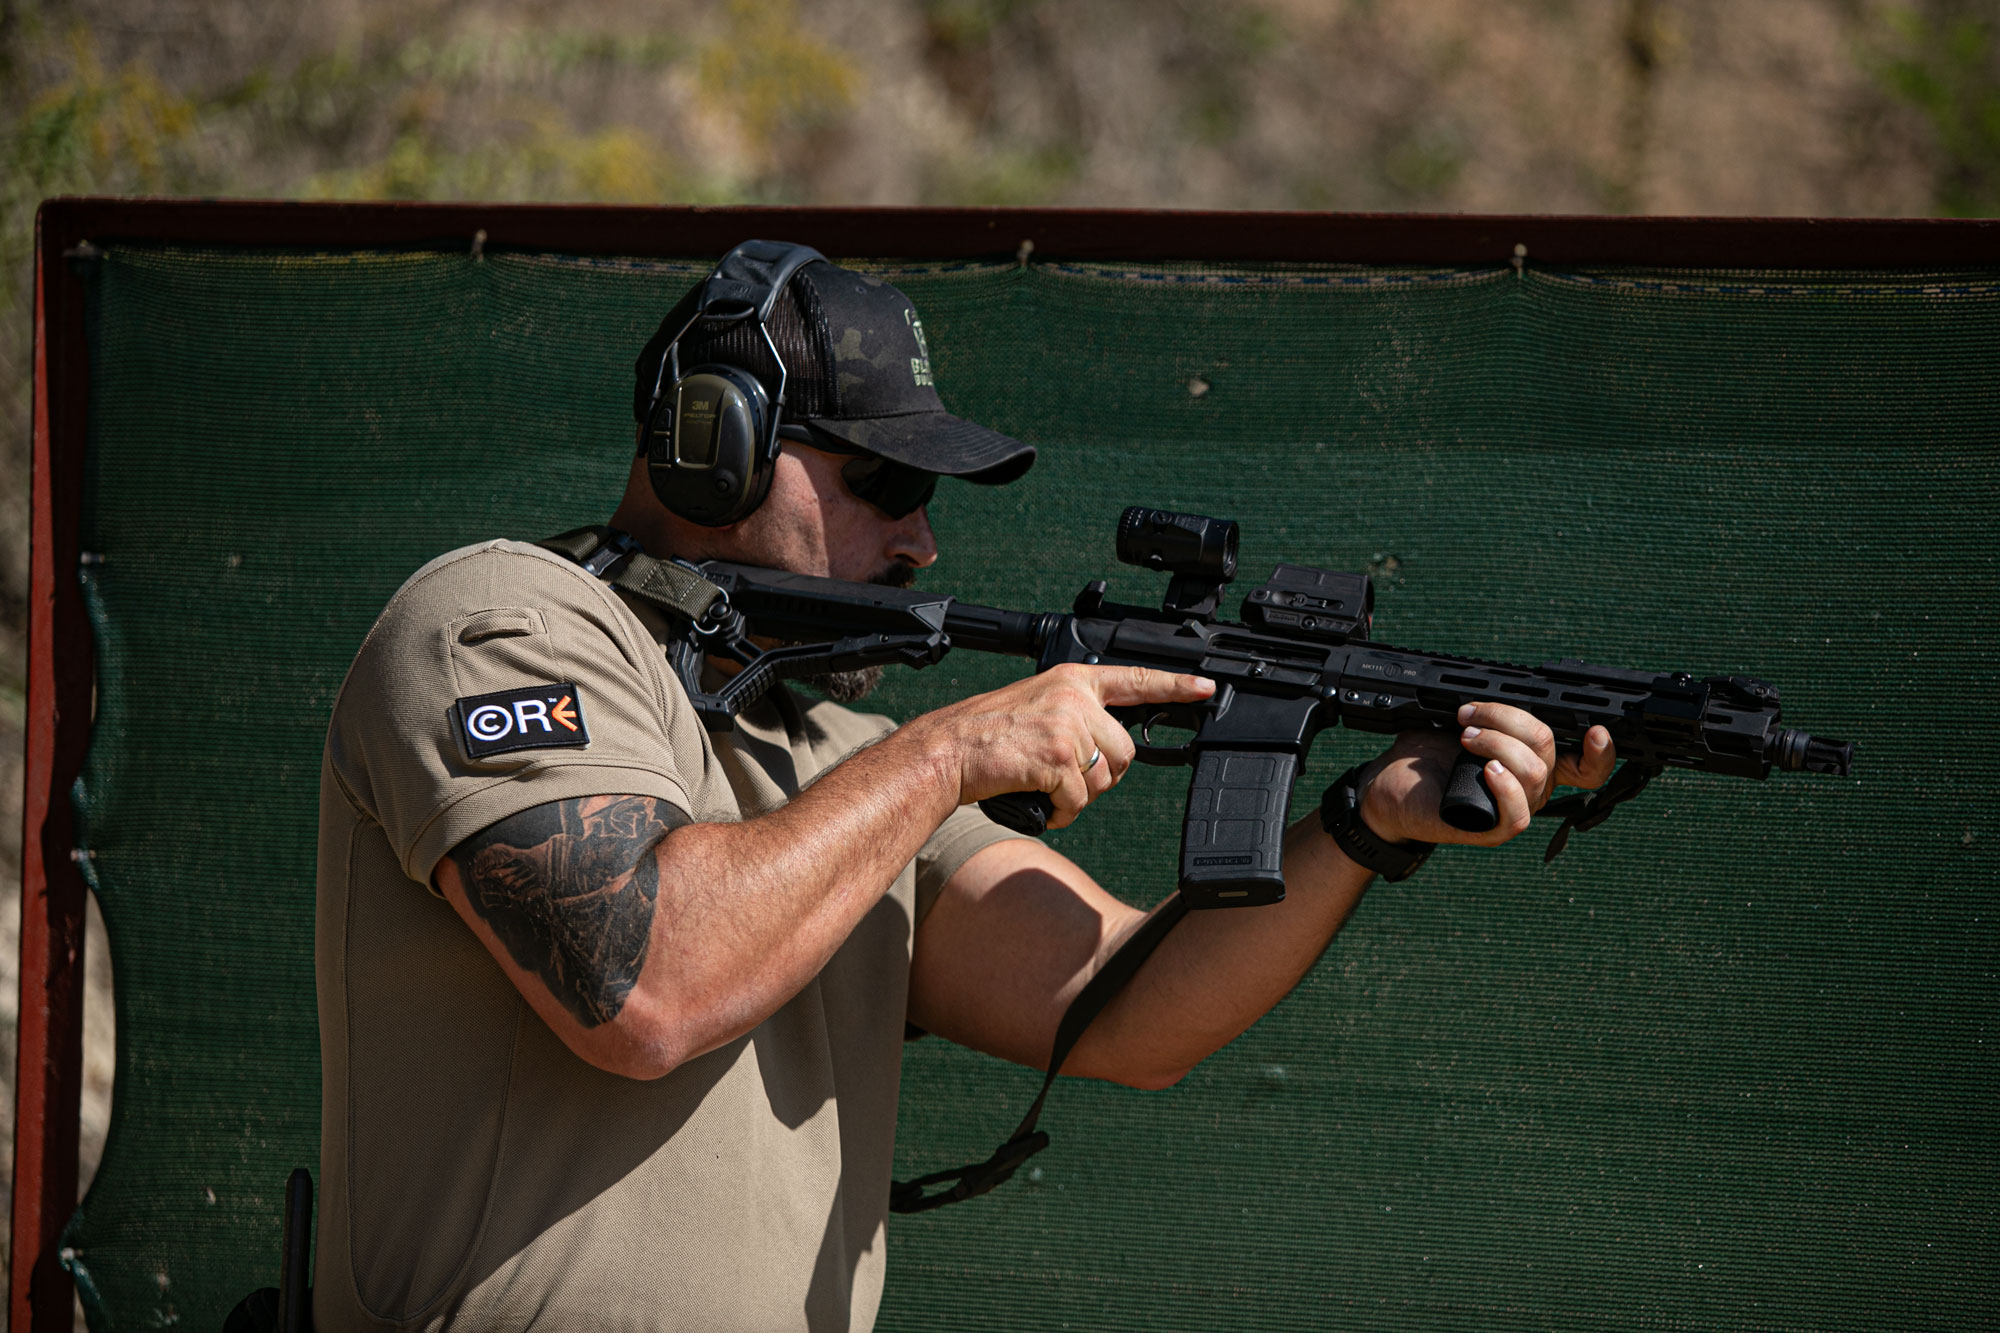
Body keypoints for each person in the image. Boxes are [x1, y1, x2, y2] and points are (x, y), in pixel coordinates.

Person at [313, 241, 1616, 1332]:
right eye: (881, 480)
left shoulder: (812, 752)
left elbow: (1118, 1008)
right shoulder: (500, 622)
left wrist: (1365, 819)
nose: (920, 536)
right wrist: (948, 752)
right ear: (713, 443)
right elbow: (644, 983)